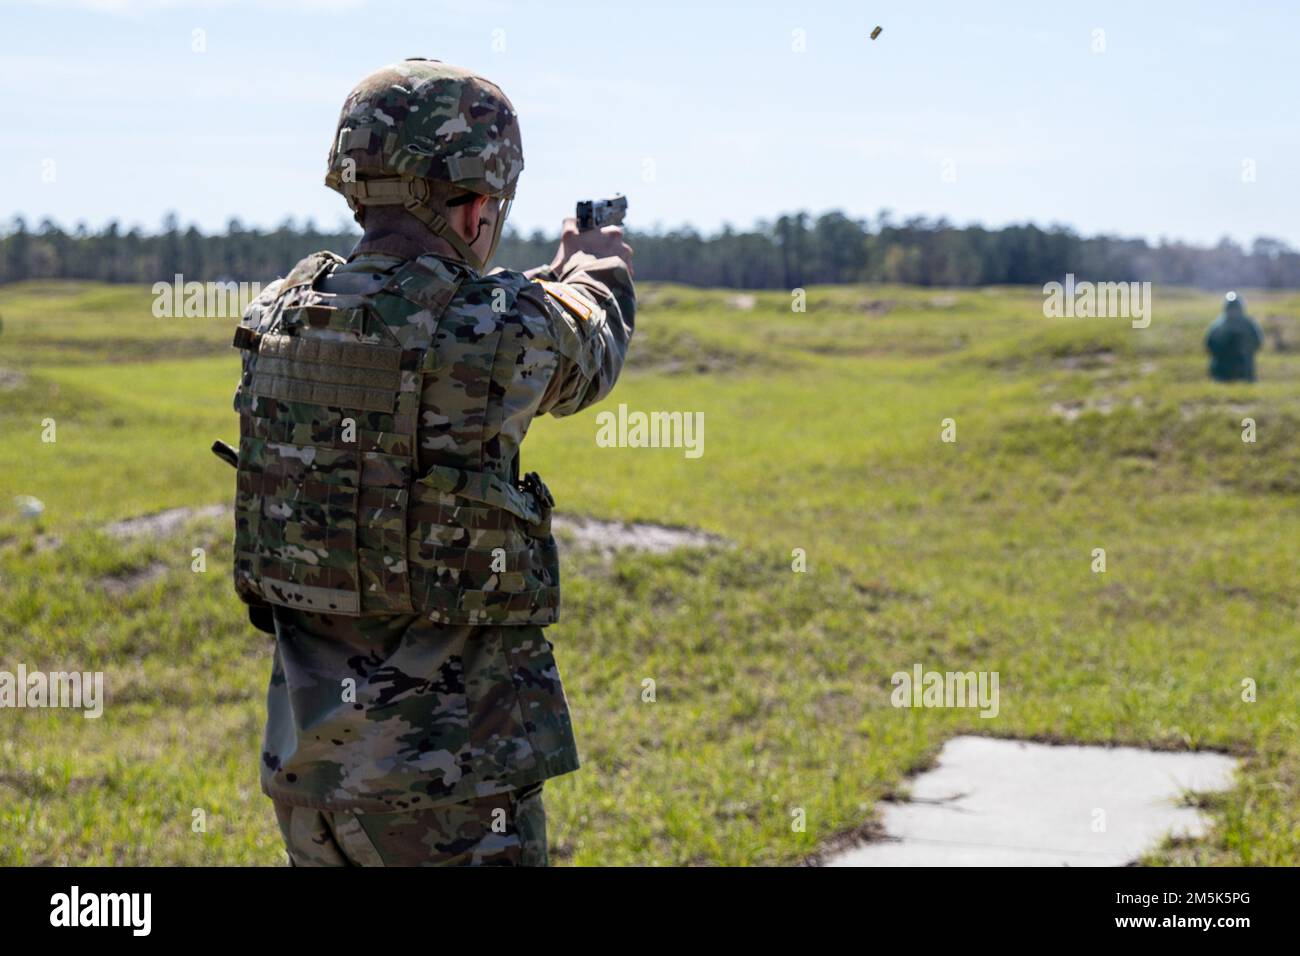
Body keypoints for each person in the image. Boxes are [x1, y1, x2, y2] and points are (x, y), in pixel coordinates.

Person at [226, 58, 634, 865]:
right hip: (449, 786)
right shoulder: (504, 326)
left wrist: (535, 288)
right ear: (478, 201)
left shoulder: (278, 314)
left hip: (309, 781)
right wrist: (596, 264)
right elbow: (591, 343)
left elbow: (440, 326)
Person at [1205, 291, 1262, 382]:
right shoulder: (1218, 326)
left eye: (1235, 309)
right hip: (1222, 373)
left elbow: (1257, 343)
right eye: (1231, 309)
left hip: (1244, 372)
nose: (1233, 311)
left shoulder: (1248, 326)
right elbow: (1210, 345)